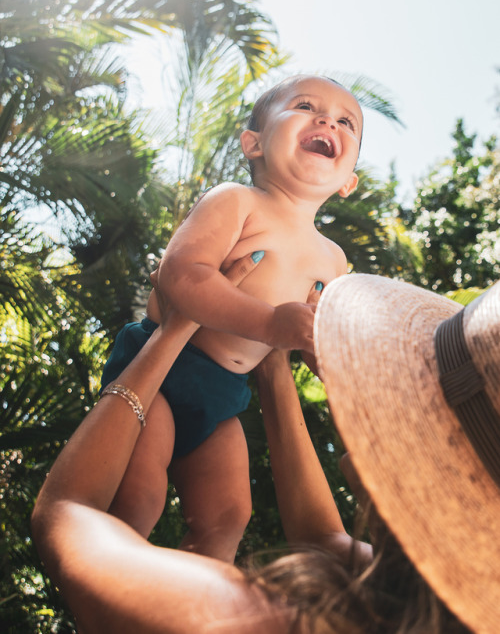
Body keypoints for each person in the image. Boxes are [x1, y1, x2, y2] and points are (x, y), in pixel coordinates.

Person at [31, 270, 500, 633]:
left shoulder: (241, 620)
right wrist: (273, 361)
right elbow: (322, 539)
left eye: (411, 394)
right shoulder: (421, 607)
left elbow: (66, 514)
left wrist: (173, 331)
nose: (388, 395)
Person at [100, 74, 363, 560]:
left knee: (227, 517)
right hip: (159, 372)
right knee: (138, 497)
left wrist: (330, 364)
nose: (328, 120)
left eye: (346, 122)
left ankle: (189, 616)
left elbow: (313, 336)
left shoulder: (334, 260)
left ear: (349, 181)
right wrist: (268, 325)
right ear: (254, 143)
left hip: (224, 396)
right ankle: (108, 598)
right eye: (306, 106)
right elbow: (180, 274)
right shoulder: (237, 202)